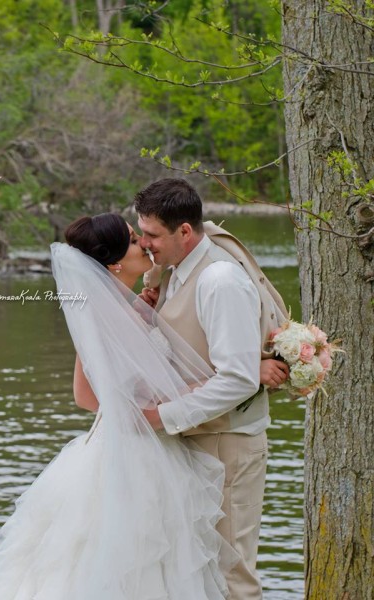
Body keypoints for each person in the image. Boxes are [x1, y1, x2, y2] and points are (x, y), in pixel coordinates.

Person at [0, 213, 237, 600]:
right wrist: (236, 378)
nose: (144, 245)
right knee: (145, 565)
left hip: (102, 447)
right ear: (114, 262)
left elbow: (85, 397)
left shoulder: (103, 313)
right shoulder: (120, 318)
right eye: (133, 241)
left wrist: (143, 315)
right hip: (140, 458)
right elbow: (156, 392)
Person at [134, 178, 289, 600]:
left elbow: (238, 378)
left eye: (152, 234)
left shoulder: (219, 280)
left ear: (185, 231)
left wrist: (163, 417)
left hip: (229, 446)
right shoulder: (175, 272)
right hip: (197, 440)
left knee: (231, 573)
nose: (144, 242)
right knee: (197, 570)